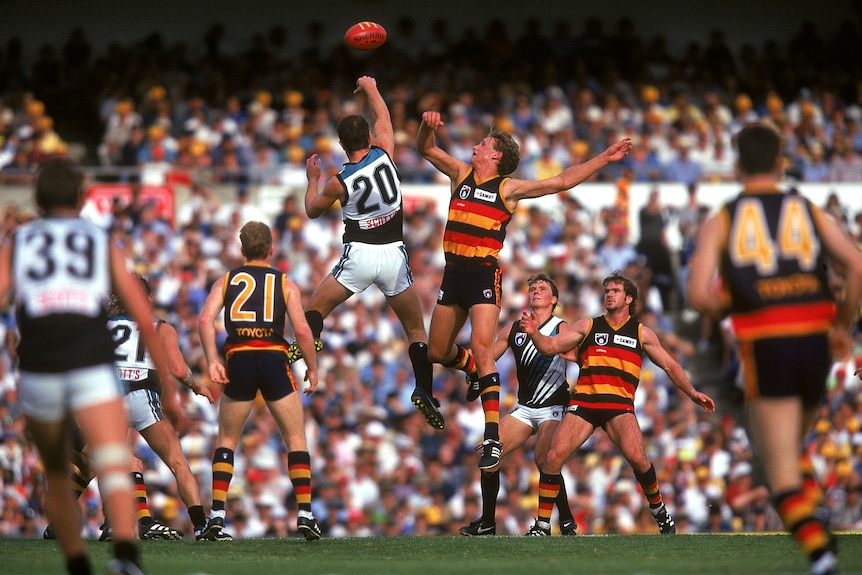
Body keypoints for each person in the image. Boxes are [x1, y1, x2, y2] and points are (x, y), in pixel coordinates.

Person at [687, 122, 862, 575]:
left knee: (776, 466)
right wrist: (841, 323)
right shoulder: (806, 208)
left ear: (737, 163)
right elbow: (857, 266)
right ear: (780, 161)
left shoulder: (722, 218)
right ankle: (815, 515)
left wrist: (740, 297)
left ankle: (822, 554)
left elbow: (697, 295)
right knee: (793, 446)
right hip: (815, 340)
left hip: (767, 342)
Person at [416, 109, 632, 469]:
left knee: (485, 351)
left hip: (484, 274)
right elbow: (426, 148)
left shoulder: (507, 189)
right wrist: (427, 126)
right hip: (453, 273)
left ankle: (491, 437)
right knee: (437, 352)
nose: (475, 145)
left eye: (482, 143)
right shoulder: (460, 174)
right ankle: (472, 369)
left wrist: (602, 159)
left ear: (496, 154)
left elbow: (560, 182)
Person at [0, 157, 173, 575]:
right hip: (90, 363)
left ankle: (77, 564)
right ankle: (126, 560)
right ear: (81, 197)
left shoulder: (19, 242)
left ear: (38, 198)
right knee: (114, 461)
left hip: (41, 367)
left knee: (58, 474)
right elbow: (142, 318)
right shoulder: (99, 240)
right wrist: (169, 390)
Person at [520, 272, 715, 535]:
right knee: (552, 458)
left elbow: (669, 365)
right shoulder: (587, 325)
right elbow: (550, 346)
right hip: (585, 403)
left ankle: (659, 511)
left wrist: (691, 392)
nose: (609, 294)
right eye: (607, 290)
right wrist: (534, 333)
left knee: (639, 459)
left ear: (629, 298)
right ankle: (543, 525)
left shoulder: (641, 332)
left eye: (615, 291)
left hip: (619, 406)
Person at [303, 76, 439, 429]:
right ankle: (424, 388)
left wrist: (313, 180)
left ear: (340, 144)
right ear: (368, 139)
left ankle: (310, 343)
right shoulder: (385, 154)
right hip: (394, 255)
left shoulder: (339, 180)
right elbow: (385, 120)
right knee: (415, 331)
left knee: (315, 309)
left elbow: (312, 211)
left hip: (359, 255)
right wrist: (371, 87)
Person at [198, 220, 322, 541]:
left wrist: (212, 359)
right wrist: (312, 366)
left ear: (242, 250)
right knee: (295, 437)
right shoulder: (284, 283)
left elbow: (205, 319)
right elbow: (303, 330)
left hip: (238, 357)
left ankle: (217, 516)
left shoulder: (226, 280)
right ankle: (305, 513)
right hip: (273, 359)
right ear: (271, 248)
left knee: (226, 439)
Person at [459, 274, 577, 537]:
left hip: (553, 407)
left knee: (544, 460)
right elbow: (487, 358)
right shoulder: (514, 329)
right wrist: (466, 365)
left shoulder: (561, 327)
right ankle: (488, 522)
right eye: (532, 288)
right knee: (490, 454)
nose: (536, 291)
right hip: (525, 407)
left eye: (543, 288)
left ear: (553, 299)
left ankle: (566, 520)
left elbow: (576, 356)